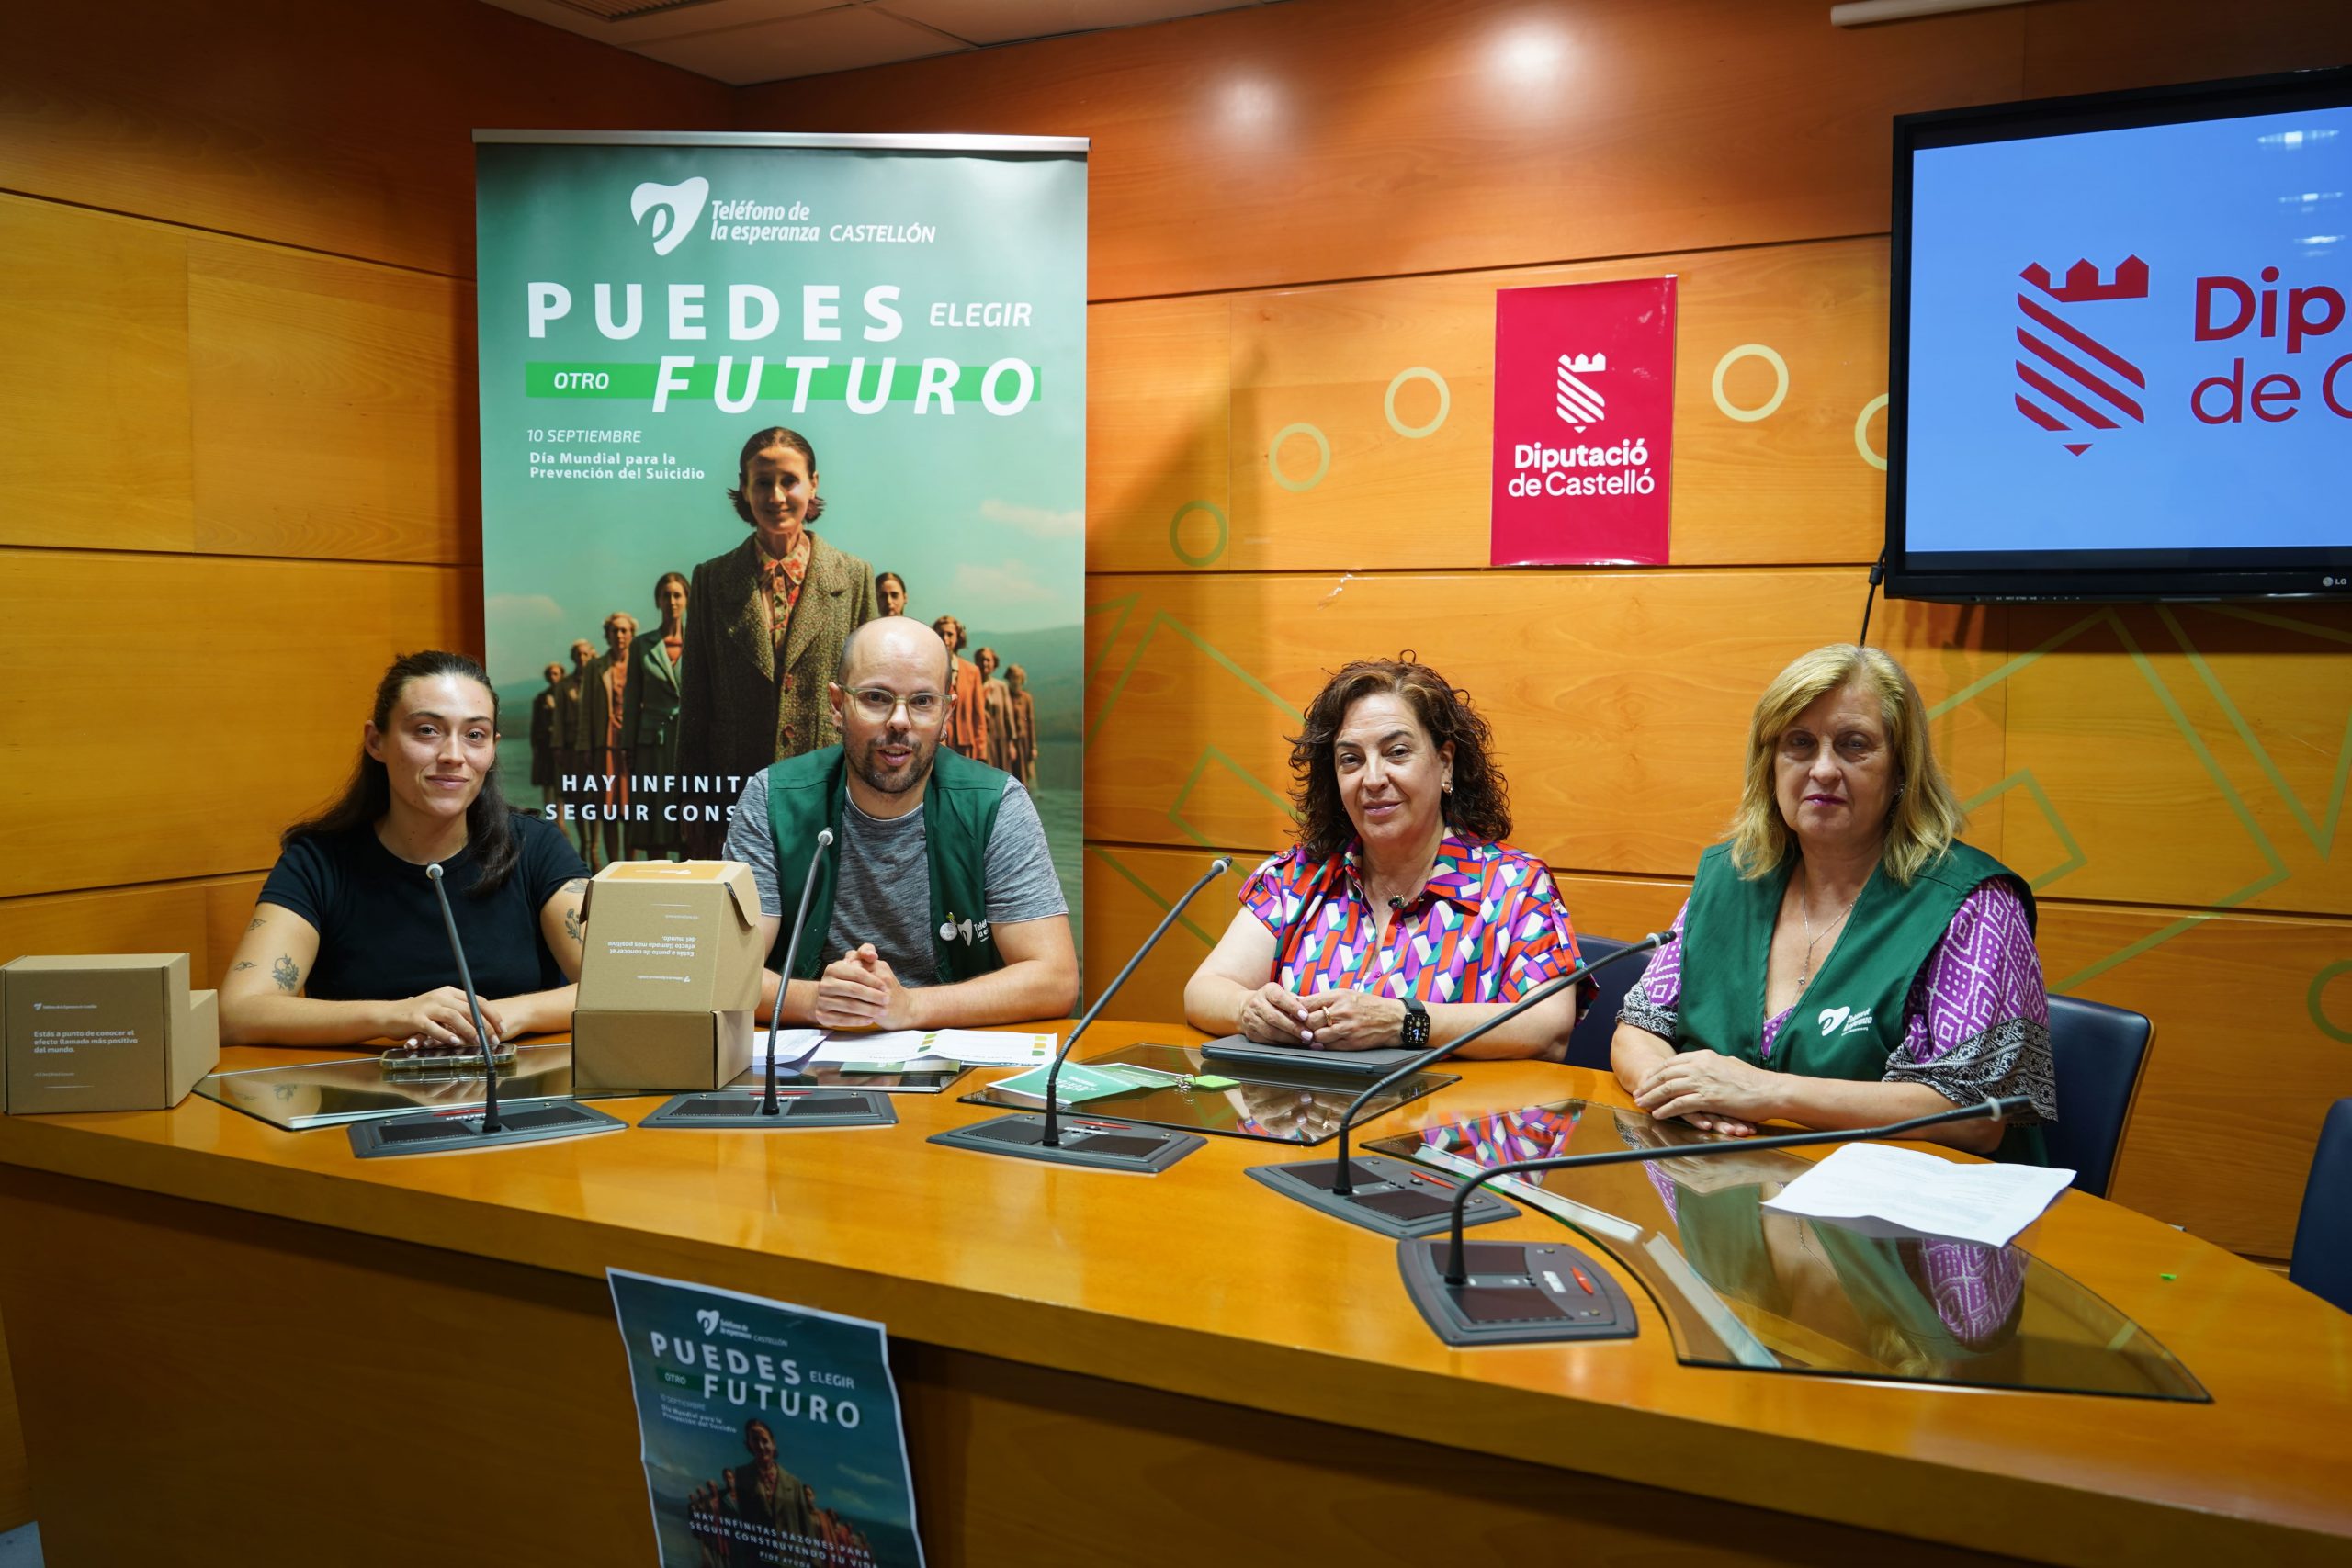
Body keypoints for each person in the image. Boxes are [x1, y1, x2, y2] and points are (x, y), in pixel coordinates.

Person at [1611, 643, 2056, 1160]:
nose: (1823, 769)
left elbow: (1977, 1118)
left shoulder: (1971, 903)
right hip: (1728, 1189)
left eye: (1854, 745)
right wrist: (1681, 1094)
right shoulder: (1733, 876)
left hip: (1902, 1220)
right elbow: (1637, 1031)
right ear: (1770, 765)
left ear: (1900, 771)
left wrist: (1767, 1093)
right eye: (1799, 743)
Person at [1184, 657, 1584, 1059]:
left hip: (1448, 1117)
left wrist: (1405, 1022)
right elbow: (1204, 989)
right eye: (1351, 760)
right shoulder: (1298, 876)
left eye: (1396, 752)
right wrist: (1248, 1011)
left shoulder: (1515, 884)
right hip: (1303, 1115)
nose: (1373, 779)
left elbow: (1547, 1027)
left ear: (1444, 765)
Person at [219, 651, 590, 1049]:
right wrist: (394, 1015)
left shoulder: (537, 846)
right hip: (365, 1098)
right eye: (427, 730)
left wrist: (501, 1017)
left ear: (493, 749)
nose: (453, 755)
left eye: (475, 734)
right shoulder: (318, 862)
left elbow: (625, 984)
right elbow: (238, 1012)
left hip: (519, 1094)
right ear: (376, 742)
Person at [723, 616, 1078, 1031]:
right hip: (803, 1067)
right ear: (837, 706)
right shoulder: (773, 798)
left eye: (923, 701)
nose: (899, 721)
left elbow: (1054, 979)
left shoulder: (996, 804)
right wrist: (820, 999)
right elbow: (725, 973)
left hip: (952, 1066)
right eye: (876, 697)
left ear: (947, 714)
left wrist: (910, 1007)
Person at [679, 426, 879, 857]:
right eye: (763, 483)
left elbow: (872, 699)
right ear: (745, 490)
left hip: (830, 794)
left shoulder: (855, 577)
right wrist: (690, 803)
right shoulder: (711, 580)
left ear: (813, 484)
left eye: (789, 480)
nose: (776, 496)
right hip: (732, 797)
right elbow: (696, 701)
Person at [624, 571, 690, 859]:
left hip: (689, 742)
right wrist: (628, 747)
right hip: (652, 742)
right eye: (666, 595)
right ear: (657, 601)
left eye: (677, 595)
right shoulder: (641, 645)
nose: (672, 601)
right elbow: (631, 700)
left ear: (687, 600)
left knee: (690, 819)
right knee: (654, 822)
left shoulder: (699, 642)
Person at [581, 610, 637, 868]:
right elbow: (586, 710)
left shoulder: (640, 663)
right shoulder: (596, 667)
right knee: (609, 809)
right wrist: (585, 747)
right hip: (605, 744)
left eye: (624, 630)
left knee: (634, 810)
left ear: (632, 634)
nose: (620, 635)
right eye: (615, 631)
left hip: (634, 745)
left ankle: (632, 866)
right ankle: (615, 866)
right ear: (608, 635)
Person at [932, 614, 986, 758]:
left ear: (958, 638)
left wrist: (981, 750)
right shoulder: (928, 668)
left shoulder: (972, 671)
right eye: (940, 634)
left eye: (950, 634)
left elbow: (978, 714)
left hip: (964, 742)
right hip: (937, 740)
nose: (945, 638)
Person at [974, 645, 1014, 772]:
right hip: (980, 739)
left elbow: (1008, 715)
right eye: (981, 660)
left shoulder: (1001, 686)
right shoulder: (972, 685)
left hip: (999, 738)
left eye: (988, 660)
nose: (984, 663)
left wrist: (1011, 743)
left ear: (994, 663)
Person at [527, 661, 562, 799]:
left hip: (562, 745)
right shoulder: (541, 698)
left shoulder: (567, 694)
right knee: (546, 782)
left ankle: (560, 820)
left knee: (560, 783)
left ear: (562, 675)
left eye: (555, 674)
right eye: (550, 674)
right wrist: (534, 745)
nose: (552, 677)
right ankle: (550, 816)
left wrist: (554, 708)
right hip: (544, 745)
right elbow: (535, 724)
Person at [1004, 662, 1038, 788]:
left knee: (1025, 774)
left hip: (1024, 742)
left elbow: (1031, 722)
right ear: (1008, 678)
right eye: (1013, 677)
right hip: (1009, 741)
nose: (1015, 681)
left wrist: (1033, 746)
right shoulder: (1005, 695)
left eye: (1018, 677)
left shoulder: (1026, 698)